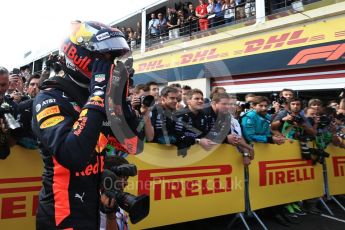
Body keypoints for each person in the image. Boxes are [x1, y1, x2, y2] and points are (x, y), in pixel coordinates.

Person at [32, 21, 131, 229]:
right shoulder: (49, 98)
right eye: (104, 58)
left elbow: (131, 143)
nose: (110, 65)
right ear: (80, 56)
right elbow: (72, 154)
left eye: (113, 59)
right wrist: (96, 96)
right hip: (62, 215)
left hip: (92, 209)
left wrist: (121, 102)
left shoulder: (95, 98)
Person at [100, 156, 130, 230]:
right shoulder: (100, 204)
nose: (126, 183)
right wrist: (111, 216)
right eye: (122, 177)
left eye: (126, 178)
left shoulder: (116, 196)